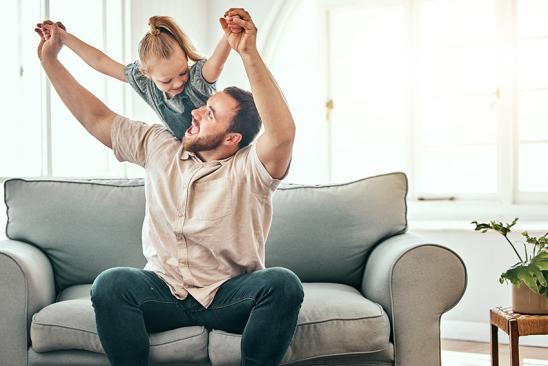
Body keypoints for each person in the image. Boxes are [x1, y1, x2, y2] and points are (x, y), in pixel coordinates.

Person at [36, 7, 302, 366]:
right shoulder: (159, 145)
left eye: (209, 114)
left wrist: (248, 53)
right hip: (164, 293)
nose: (193, 111)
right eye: (203, 106)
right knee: (111, 284)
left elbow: (282, 132)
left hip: (229, 296)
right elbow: (96, 117)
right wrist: (51, 61)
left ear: (233, 137)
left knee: (283, 284)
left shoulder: (251, 169)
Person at [36, 14, 241, 140]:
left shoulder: (197, 81)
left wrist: (229, 33)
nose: (178, 82)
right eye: (166, 80)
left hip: (215, 148)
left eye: (182, 72)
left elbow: (216, 63)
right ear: (146, 74)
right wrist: (64, 37)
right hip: (184, 149)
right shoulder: (144, 83)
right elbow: (101, 62)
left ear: (186, 59)